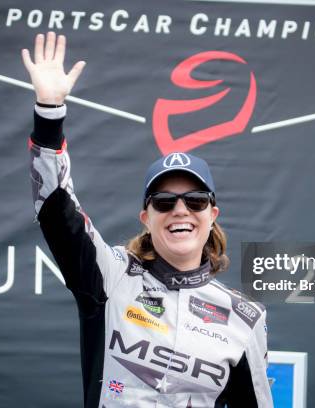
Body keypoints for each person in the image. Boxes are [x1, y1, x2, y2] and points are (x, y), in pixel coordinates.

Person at [22, 31, 273, 408]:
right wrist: (49, 111)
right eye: (164, 201)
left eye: (195, 200)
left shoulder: (245, 317)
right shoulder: (111, 276)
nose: (180, 210)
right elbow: (56, 209)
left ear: (212, 214)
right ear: (146, 216)